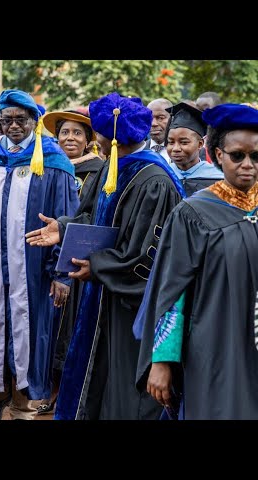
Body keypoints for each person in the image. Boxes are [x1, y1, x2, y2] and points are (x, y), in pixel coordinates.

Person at [26, 92, 185, 420]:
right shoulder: (113, 168)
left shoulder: (154, 181)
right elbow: (94, 219)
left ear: (114, 140)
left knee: (119, 387)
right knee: (92, 378)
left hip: (126, 308)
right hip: (97, 295)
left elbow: (146, 257)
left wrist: (97, 267)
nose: (94, 141)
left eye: (98, 135)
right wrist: (65, 227)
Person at [135, 103, 258, 419]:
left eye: (256, 156)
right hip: (215, 343)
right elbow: (172, 292)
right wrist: (162, 361)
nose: (248, 165)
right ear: (218, 155)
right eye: (237, 155)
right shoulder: (194, 213)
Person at [0, 90, 79, 421]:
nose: (13, 126)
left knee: (29, 333)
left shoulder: (53, 161)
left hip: (34, 269)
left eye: (21, 120)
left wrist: (62, 273)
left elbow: (67, 219)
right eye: (6, 120)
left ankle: (23, 404)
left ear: (35, 123)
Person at [37, 107, 104, 415]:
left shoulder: (100, 169)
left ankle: (61, 386)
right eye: (64, 132)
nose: (70, 138)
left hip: (79, 259)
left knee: (70, 326)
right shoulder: (48, 166)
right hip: (45, 256)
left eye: (78, 133)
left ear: (89, 140)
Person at [164, 101, 223, 196]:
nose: (176, 148)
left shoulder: (217, 177)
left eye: (184, 142)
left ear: (200, 144)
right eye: (171, 142)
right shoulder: (162, 175)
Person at [145, 98, 173, 163]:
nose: (153, 123)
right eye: (150, 118)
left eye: (160, 118)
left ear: (172, 119)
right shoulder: (139, 151)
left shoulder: (182, 151)